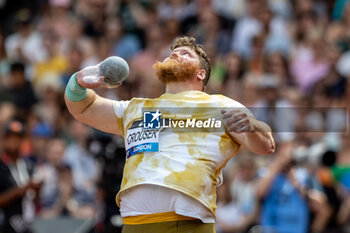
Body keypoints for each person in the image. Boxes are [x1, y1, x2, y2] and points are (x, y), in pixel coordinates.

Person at [64, 36, 275, 233]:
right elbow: (84, 108)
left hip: (186, 222)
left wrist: (253, 126)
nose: (175, 54)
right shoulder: (138, 108)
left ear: (200, 74)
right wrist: (78, 83)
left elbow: (266, 146)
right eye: (172, 52)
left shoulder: (219, 105)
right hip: (134, 223)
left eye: (185, 54)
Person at [0, 120, 41, 233]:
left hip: (27, 222)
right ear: (4, 140)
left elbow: (36, 200)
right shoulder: (1, 167)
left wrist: (38, 189)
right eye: (10, 137)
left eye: (18, 137)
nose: (14, 141)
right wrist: (24, 188)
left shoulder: (28, 166)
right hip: (5, 225)